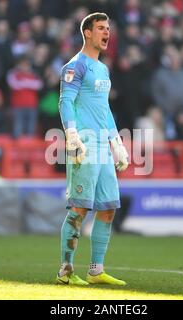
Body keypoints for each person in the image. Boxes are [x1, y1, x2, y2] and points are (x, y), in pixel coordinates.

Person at [56, 12, 128, 286]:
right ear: (87, 32)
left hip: (103, 147)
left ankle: (96, 270)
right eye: (100, 28)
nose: (106, 33)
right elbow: (66, 101)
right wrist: (71, 134)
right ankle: (65, 270)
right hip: (84, 145)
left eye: (108, 28)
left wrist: (117, 142)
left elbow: (104, 108)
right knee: (79, 209)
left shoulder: (103, 69)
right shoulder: (75, 66)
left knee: (108, 208)